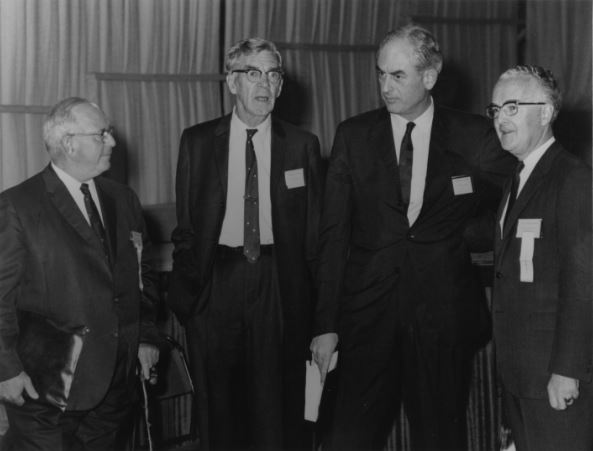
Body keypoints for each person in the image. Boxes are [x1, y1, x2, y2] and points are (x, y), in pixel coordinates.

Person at [310, 24, 514, 451]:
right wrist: (325, 325)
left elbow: (518, 197)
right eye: (381, 73)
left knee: (441, 436)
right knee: (349, 436)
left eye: (397, 75)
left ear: (429, 76)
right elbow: (333, 236)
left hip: (441, 316)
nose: (385, 86)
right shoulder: (353, 135)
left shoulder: (473, 134)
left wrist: (469, 235)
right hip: (365, 317)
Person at [168, 37, 323, 451]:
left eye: (273, 75)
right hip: (217, 280)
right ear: (232, 82)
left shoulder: (302, 146)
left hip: (279, 282)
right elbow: (185, 228)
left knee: (278, 407)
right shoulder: (198, 142)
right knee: (220, 411)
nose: (265, 84)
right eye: (253, 73)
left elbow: (314, 237)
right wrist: (191, 300)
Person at [0, 97, 161, 450]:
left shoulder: (124, 199)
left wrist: (145, 336)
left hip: (115, 383)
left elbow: (141, 276)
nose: (113, 143)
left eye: (110, 133)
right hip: (48, 387)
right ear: (69, 143)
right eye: (102, 134)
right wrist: (6, 370)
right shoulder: (19, 205)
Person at [489, 65, 592, 451]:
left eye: (512, 107)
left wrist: (566, 370)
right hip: (520, 376)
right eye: (495, 110)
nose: (500, 119)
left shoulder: (573, 179)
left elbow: (583, 284)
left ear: (546, 113)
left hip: (555, 377)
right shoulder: (517, 179)